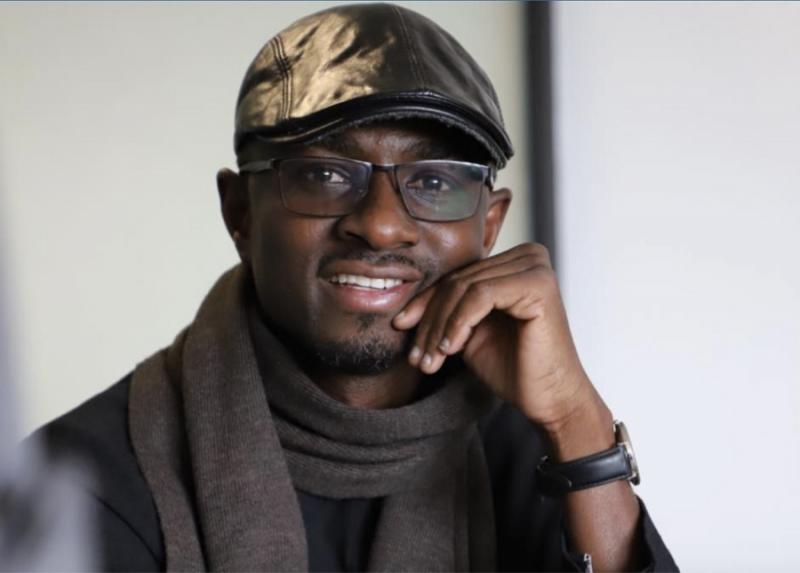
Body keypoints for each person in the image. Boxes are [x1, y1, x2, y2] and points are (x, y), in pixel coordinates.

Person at [30, 4, 678, 572]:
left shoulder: (537, 452)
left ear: (489, 226)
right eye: (326, 175)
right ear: (240, 213)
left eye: (433, 182)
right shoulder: (78, 482)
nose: (381, 224)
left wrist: (575, 420)